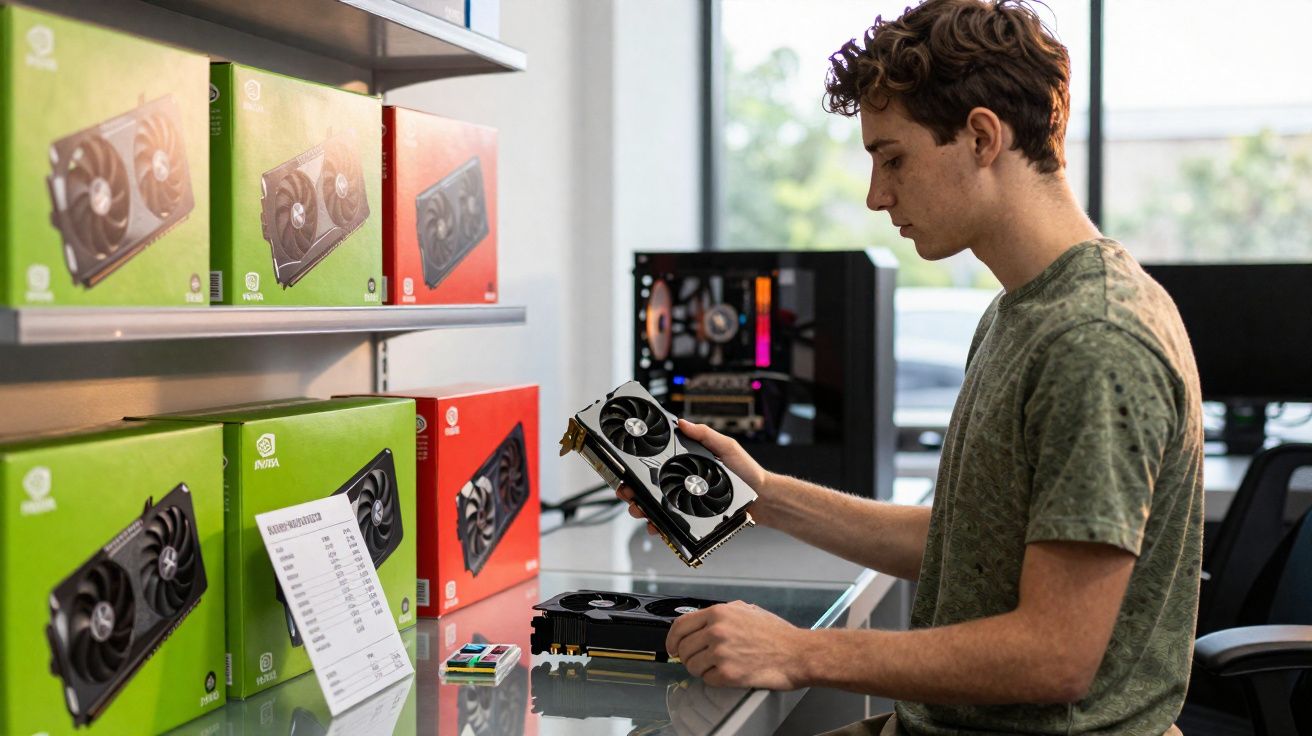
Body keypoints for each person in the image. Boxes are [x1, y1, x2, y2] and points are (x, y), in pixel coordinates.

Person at [617, 1, 1204, 733]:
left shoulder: (1095, 338)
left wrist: (803, 651)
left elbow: (1056, 655)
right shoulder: (1018, 313)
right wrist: (761, 496)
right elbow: (966, 542)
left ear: (982, 137)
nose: (876, 195)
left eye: (893, 158)